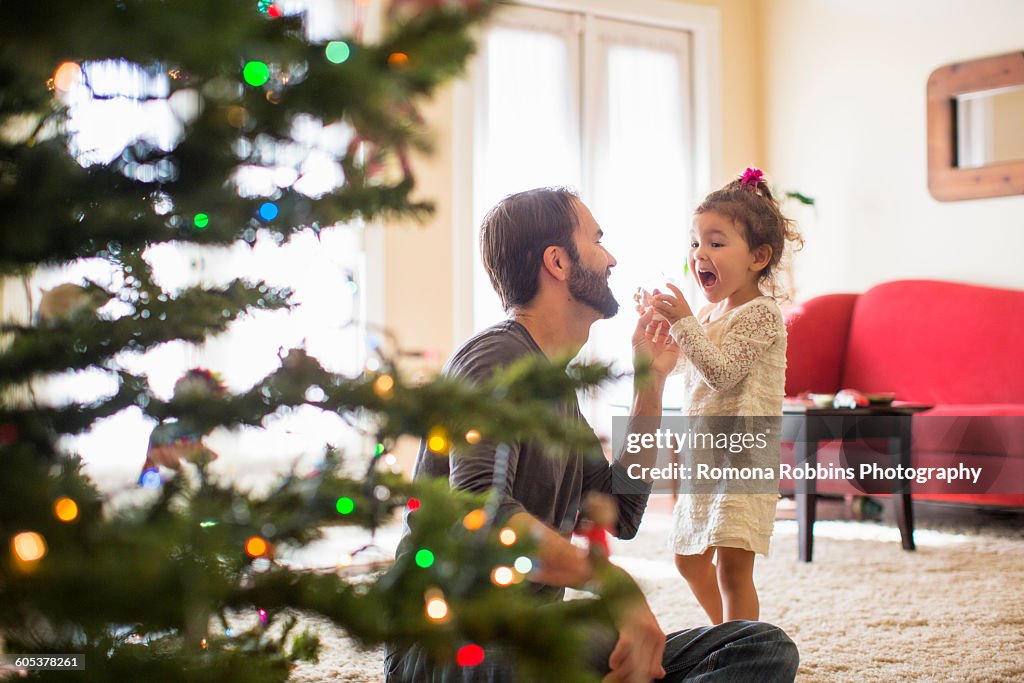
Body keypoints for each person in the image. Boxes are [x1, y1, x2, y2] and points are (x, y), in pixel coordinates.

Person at [384, 187, 799, 682]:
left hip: (538, 633)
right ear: (558, 262)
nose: (612, 258)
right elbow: (482, 515)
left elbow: (620, 513)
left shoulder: (555, 385)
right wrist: (610, 582)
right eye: (597, 240)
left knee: (759, 646)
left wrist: (650, 384)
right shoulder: (495, 358)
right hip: (453, 644)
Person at [644, 168, 803, 626]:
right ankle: (726, 636)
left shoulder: (762, 315)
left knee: (733, 571)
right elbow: (689, 373)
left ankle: (741, 653)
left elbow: (723, 374)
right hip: (705, 455)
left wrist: (684, 324)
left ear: (758, 257)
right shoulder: (710, 313)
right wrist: (664, 336)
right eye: (695, 243)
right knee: (689, 560)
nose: (700, 254)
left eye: (716, 242)